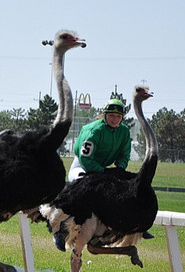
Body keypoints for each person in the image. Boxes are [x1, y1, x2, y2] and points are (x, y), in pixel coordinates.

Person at [56, 98, 153, 249]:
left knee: (134, 181)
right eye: (112, 116)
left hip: (102, 170)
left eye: (118, 117)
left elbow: (124, 155)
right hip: (83, 167)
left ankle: (140, 225)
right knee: (80, 191)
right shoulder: (93, 131)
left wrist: (118, 169)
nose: (115, 120)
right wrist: (102, 173)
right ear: (105, 115)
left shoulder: (124, 132)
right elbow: (86, 158)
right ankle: (60, 232)